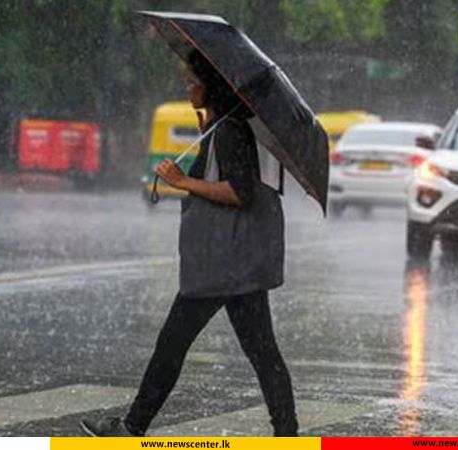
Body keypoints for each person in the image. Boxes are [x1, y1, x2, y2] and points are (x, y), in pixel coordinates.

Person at [80, 51, 298, 437]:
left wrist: (182, 181)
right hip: (233, 263)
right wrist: (205, 140)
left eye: (191, 81)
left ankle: (133, 427)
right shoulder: (221, 127)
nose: (187, 87)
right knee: (261, 353)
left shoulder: (230, 130)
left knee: (174, 344)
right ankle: (287, 433)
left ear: (209, 86)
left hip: (222, 263)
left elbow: (240, 192)